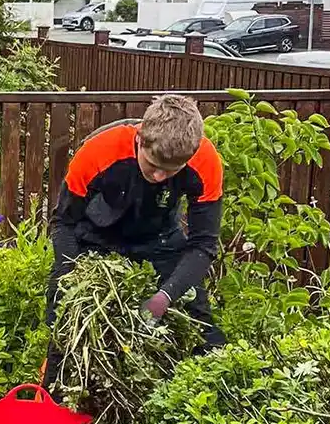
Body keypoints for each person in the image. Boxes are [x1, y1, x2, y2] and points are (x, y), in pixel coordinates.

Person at [44, 94, 225, 387]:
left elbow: (203, 244)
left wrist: (164, 296)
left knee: (202, 327)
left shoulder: (204, 160)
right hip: (97, 236)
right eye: (152, 163)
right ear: (140, 138)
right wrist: (69, 277)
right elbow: (63, 222)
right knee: (64, 317)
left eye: (171, 171)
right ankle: (54, 399)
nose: (158, 175)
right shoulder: (99, 151)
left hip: (161, 240)